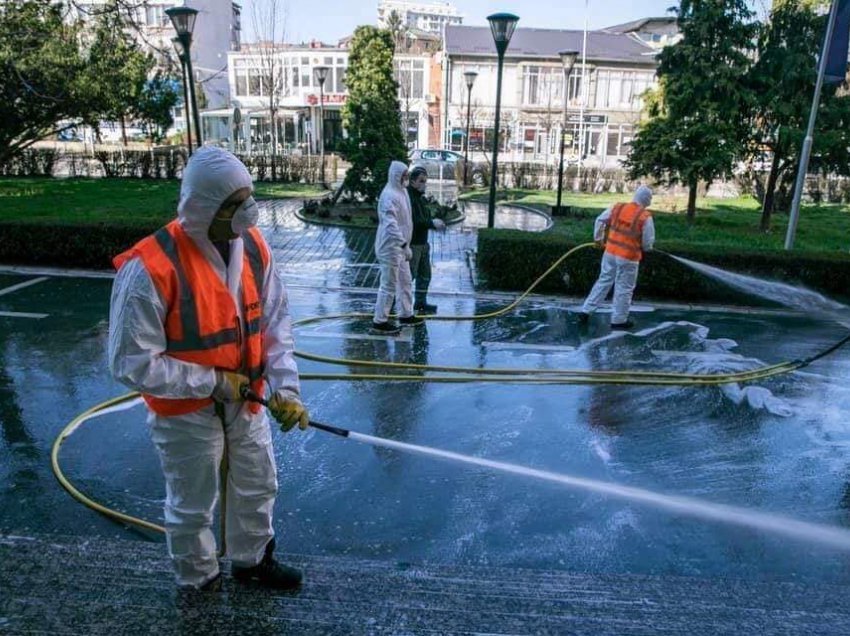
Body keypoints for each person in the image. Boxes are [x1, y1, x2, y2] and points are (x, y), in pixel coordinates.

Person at [108, 146, 309, 592]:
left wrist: (287, 390)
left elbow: (275, 322)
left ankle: (253, 560)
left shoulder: (254, 247)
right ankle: (198, 581)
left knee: (258, 482)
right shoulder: (151, 268)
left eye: (248, 197)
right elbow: (130, 363)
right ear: (204, 208)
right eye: (235, 204)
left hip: (248, 399)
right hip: (185, 410)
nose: (249, 211)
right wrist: (215, 382)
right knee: (193, 501)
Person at [578, 185, 655, 330]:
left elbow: (600, 220)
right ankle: (618, 320)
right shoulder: (645, 217)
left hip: (610, 252)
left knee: (604, 281)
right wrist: (648, 248)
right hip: (628, 257)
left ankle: (586, 311)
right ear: (647, 199)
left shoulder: (618, 207)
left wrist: (598, 239)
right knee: (624, 288)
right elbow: (647, 244)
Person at [372, 160, 424, 334]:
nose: (406, 178)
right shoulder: (389, 195)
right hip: (390, 248)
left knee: (405, 281)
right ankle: (380, 321)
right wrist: (404, 244)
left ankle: (406, 314)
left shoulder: (401, 191)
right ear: (396, 175)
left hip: (400, 248)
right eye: (404, 175)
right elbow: (390, 225)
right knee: (389, 285)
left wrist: (404, 246)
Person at [407, 166, 446, 315]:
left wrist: (433, 222)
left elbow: (423, 218)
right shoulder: (409, 198)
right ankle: (393, 304)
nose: (424, 184)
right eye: (421, 181)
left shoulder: (420, 198)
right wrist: (431, 223)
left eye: (425, 181)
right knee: (409, 276)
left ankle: (420, 303)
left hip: (423, 243)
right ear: (412, 182)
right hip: (414, 243)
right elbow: (414, 221)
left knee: (425, 275)